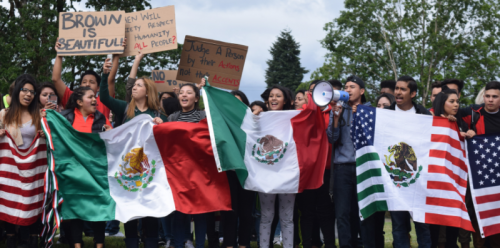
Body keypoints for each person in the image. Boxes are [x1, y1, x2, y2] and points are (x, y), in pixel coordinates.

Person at [100, 60, 166, 248]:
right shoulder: (125, 108)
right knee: (130, 210)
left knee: (150, 210)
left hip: (150, 171)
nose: (134, 88)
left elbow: (169, 137)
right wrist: (105, 74)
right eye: (134, 85)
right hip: (127, 170)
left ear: (148, 91)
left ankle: (151, 242)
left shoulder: (158, 113)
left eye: (138, 85)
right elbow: (104, 97)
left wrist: (162, 126)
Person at [55, 86, 112, 248]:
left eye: (95, 97)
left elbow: (111, 143)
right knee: (74, 208)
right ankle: (77, 244)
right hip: (73, 173)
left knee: (100, 206)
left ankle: (99, 244)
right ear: (79, 102)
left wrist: (110, 132)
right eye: (90, 97)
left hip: (96, 172)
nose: (95, 99)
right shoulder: (65, 118)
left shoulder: (101, 119)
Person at [327, 75, 377, 248]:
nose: (348, 90)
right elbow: (332, 139)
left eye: (352, 87)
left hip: (364, 168)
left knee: (365, 213)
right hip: (342, 169)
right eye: (346, 87)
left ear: (362, 91)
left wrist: (361, 116)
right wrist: (335, 118)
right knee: (342, 214)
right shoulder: (338, 109)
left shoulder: (371, 111)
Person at [385, 76, 432, 248]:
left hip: (418, 180)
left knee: (422, 226)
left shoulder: (424, 114)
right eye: (397, 88)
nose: (397, 92)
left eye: (403, 89)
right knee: (398, 227)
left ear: (412, 93)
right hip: (395, 182)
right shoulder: (385, 115)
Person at [0, 74, 43, 248]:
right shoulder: (4, 114)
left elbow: (51, 139)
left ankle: (33, 238)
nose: (28, 94)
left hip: (34, 168)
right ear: (17, 91)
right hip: (11, 168)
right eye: (24, 90)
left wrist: (45, 135)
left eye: (32, 92)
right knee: (9, 198)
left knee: (33, 199)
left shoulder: (40, 115)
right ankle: (11, 237)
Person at [253, 85, 295, 248]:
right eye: (271, 96)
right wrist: (255, 116)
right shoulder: (261, 118)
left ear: (285, 100)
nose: (274, 99)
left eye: (278, 96)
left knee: (287, 217)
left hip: (287, 175)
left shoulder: (293, 119)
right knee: (266, 216)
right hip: (266, 174)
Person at [459, 81, 500, 248]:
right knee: (477, 213)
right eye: (487, 96)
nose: (490, 100)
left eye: (494, 97)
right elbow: (447, 115)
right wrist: (464, 129)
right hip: (479, 177)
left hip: (498, 177)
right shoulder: (473, 113)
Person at [168, 83, 208, 248]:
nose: (184, 95)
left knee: (199, 212)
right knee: (179, 212)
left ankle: (199, 245)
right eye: (181, 93)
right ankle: (178, 244)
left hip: (199, 172)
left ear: (196, 98)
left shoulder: (204, 116)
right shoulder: (172, 118)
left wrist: (207, 88)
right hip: (179, 173)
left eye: (189, 92)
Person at [53, 40, 122, 119]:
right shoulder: (72, 98)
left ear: (98, 88)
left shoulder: (104, 100)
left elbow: (110, 79)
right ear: (80, 86)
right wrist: (59, 54)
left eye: (92, 82)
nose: (87, 84)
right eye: (84, 82)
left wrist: (117, 53)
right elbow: (56, 79)